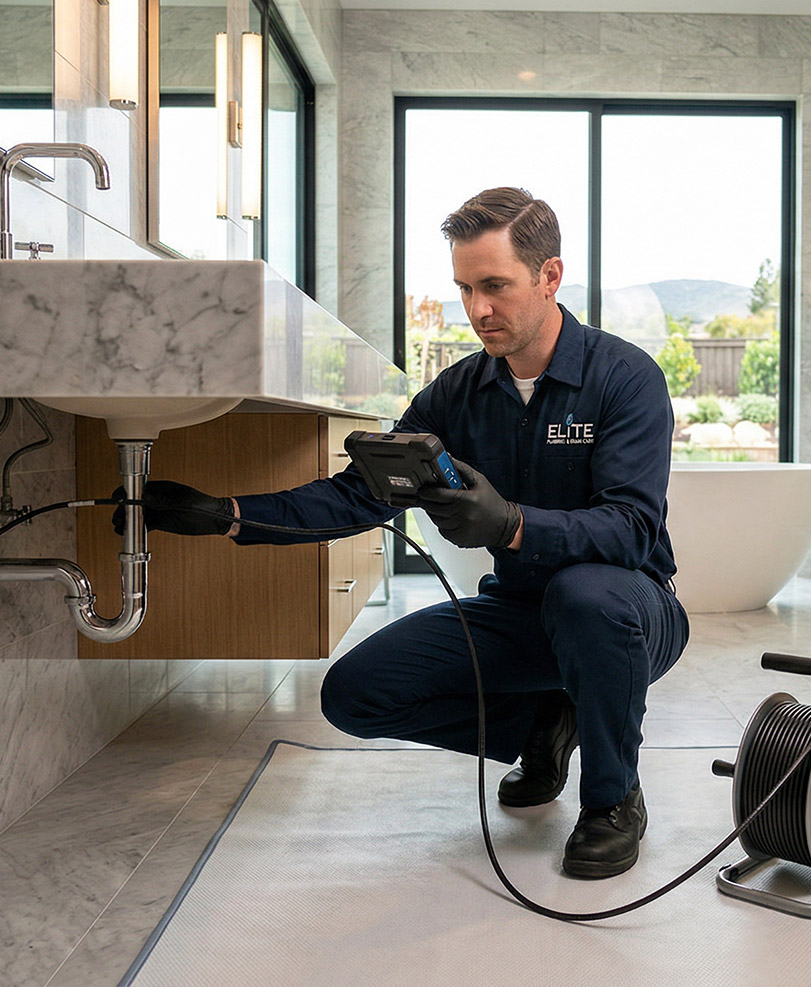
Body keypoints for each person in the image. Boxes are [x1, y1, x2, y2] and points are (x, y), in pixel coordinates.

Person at [119, 186, 687, 879]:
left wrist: (510, 524)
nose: (478, 310)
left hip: (628, 612)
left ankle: (612, 797)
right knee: (353, 694)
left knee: (585, 597)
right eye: (466, 287)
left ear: (550, 277)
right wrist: (231, 515)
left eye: (496, 286)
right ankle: (542, 725)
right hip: (520, 613)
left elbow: (630, 530)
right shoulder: (456, 395)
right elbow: (356, 497)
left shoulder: (624, 378)